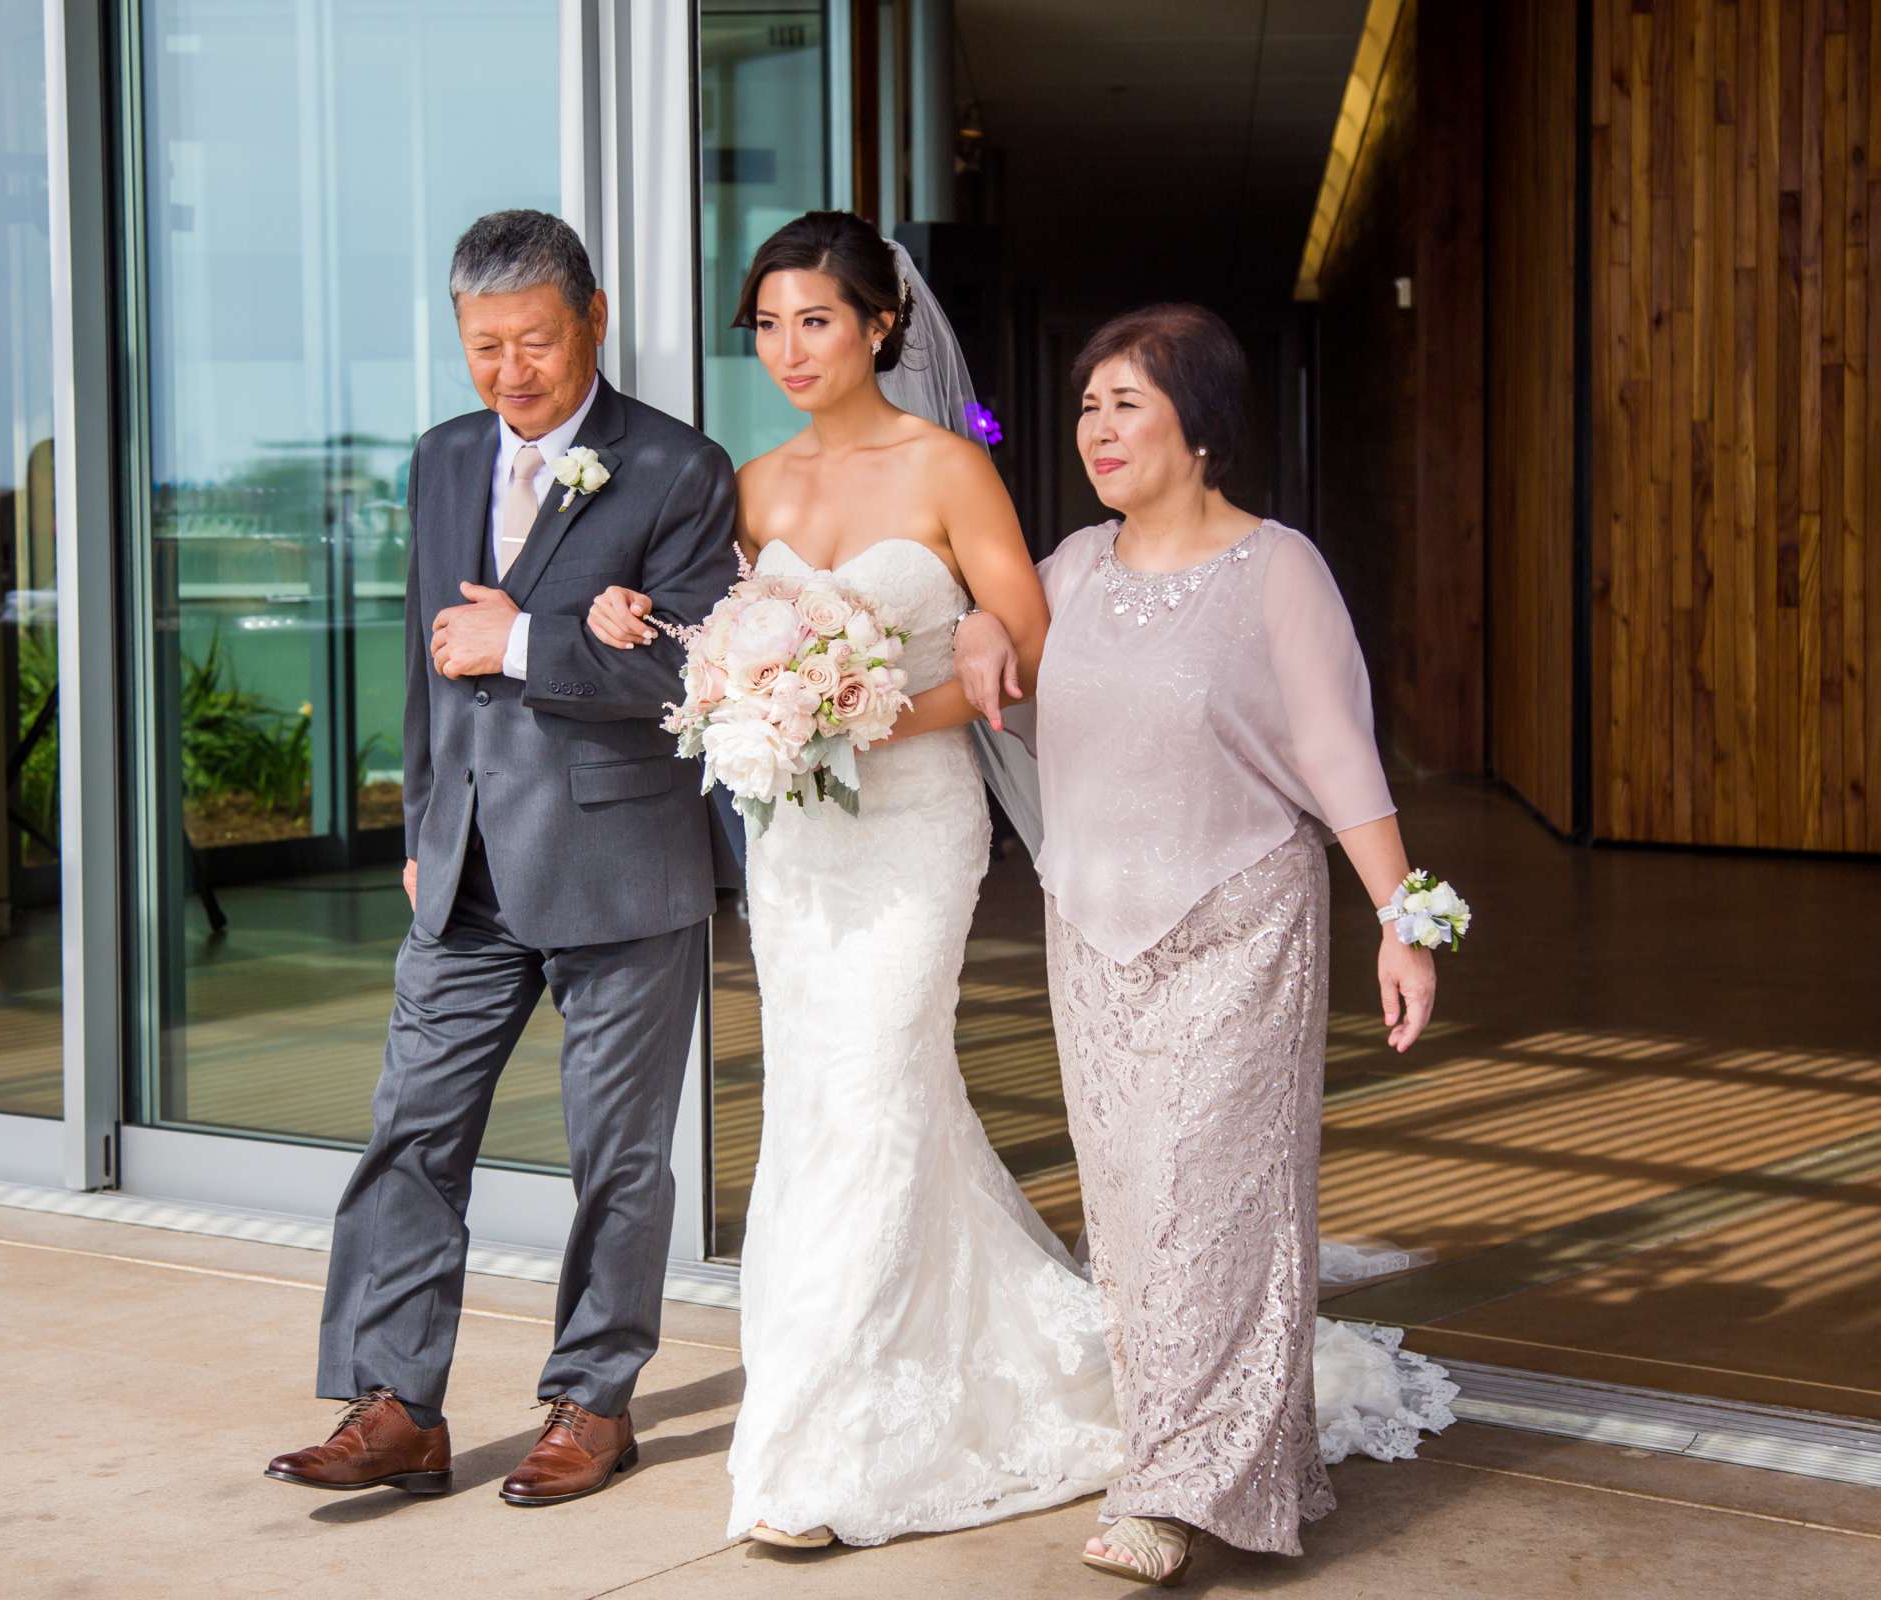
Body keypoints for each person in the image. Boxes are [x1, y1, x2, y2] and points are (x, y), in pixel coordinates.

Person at [589, 225, 1456, 1566]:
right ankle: (883, 1420)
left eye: (816, 319)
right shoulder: (818, 501)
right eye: (766, 324)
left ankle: (1072, 1479)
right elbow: (776, 645)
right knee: (897, 1137)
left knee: (954, 1120)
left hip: (1081, 879)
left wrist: (1406, 918)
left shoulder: (1173, 536)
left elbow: (1274, 729)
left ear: (881, 326)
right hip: (902, 874)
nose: (787, 348)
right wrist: (685, 661)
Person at [950, 303, 1447, 1584]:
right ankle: (1216, 1454)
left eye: (1128, 401)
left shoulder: (1277, 567)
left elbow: (1339, 752)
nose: (1098, 429)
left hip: (1239, 926)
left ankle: (1175, 1492)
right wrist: (982, 631)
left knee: (1216, 1209)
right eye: (1087, 405)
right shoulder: (1064, 569)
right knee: (1132, 1219)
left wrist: (1403, 918)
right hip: (1094, 940)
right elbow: (1019, 709)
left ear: (1203, 424)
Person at [264, 209, 738, 1509]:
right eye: (485, 346)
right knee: (410, 1129)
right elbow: (425, 661)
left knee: (615, 1154)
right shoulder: (440, 458)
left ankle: (594, 1403)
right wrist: (423, 822)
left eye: (536, 338)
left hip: (622, 868)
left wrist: (528, 642)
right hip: (464, 867)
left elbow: (702, 667)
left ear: (593, 316)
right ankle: (396, 1408)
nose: (511, 370)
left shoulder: (681, 468)